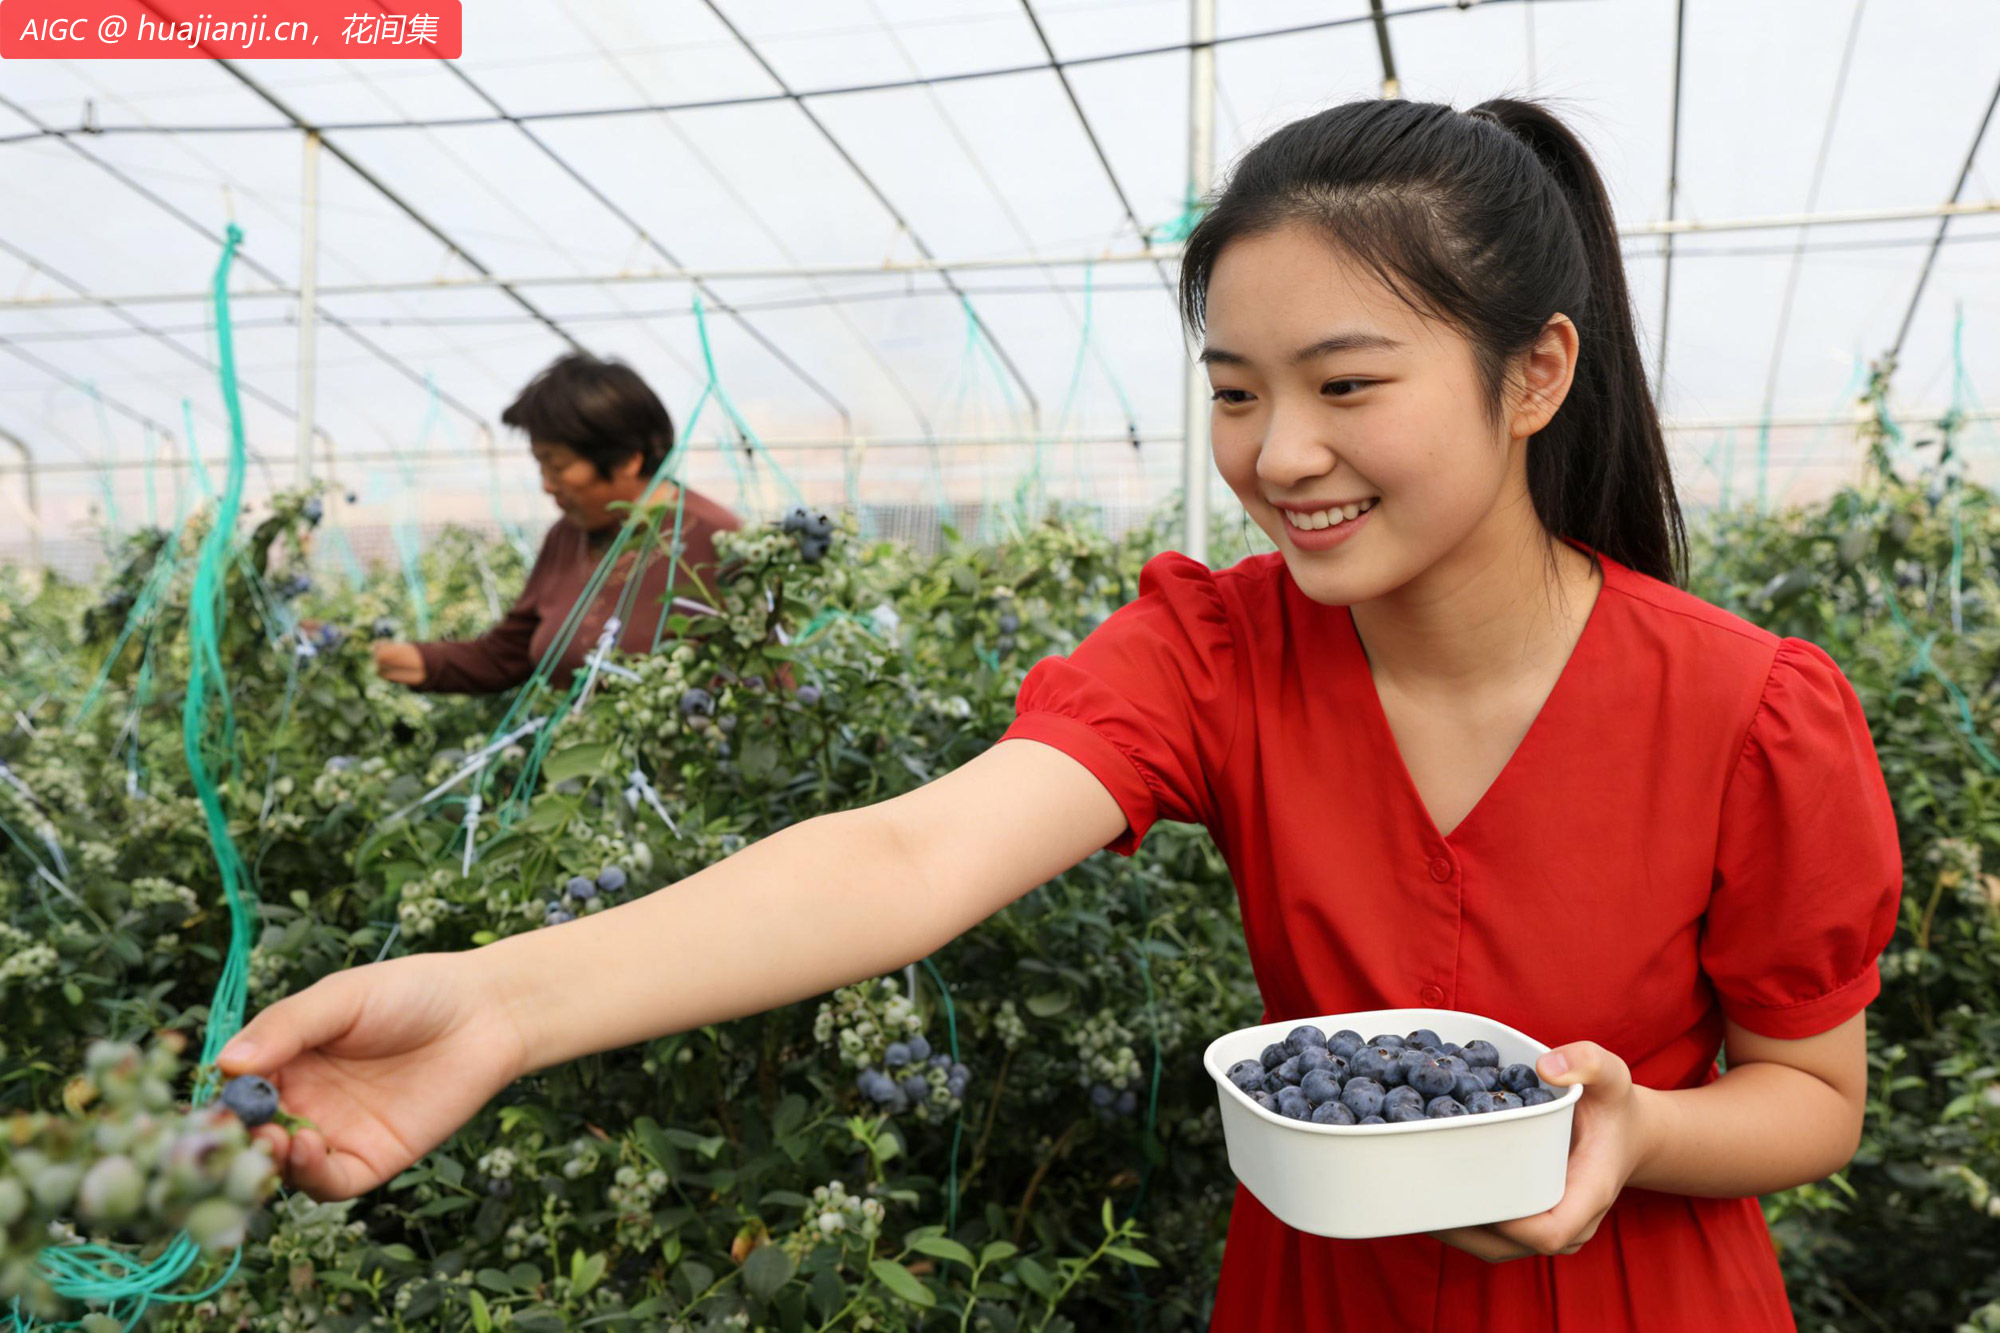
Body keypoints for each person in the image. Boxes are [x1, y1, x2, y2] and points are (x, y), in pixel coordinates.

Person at [219, 99, 1901, 1329]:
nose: (1279, 453)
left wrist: (1636, 1127)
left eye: (1346, 383)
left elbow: (1812, 1098)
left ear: (1533, 374)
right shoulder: (1221, 653)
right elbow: (907, 855)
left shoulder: (1749, 711)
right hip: (1325, 1295)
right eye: (1234, 392)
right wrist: (498, 1005)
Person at [371, 353, 740, 693]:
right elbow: (505, 655)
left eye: (558, 466)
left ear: (628, 459)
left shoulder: (717, 542)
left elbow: (756, 687)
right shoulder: (568, 538)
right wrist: (391, 658)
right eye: (541, 464)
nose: (547, 484)